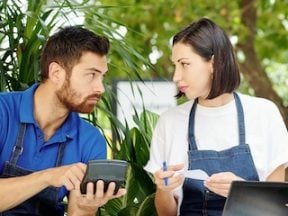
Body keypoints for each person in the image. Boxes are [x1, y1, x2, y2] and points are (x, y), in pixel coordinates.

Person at [144, 17, 288, 216]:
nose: (176, 76)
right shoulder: (170, 122)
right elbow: (166, 213)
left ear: (213, 62)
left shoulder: (264, 114)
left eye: (184, 64)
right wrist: (164, 189)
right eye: (175, 65)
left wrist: (241, 192)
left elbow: (276, 208)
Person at [0, 26, 126, 215]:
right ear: (56, 73)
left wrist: (86, 207)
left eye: (102, 77)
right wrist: (48, 177)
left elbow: (78, 212)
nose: (100, 88)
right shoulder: (3, 112)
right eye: (91, 75)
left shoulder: (90, 139)